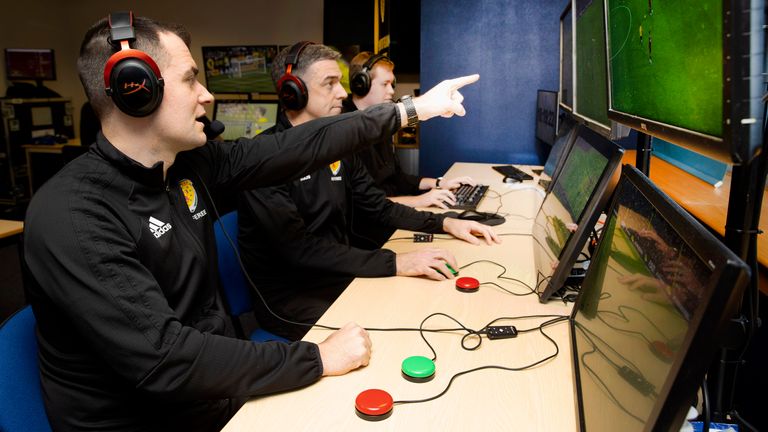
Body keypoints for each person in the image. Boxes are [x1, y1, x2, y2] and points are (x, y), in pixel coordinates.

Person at [23, 13, 480, 432]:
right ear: (135, 88)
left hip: (214, 392)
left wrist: (407, 110)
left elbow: (291, 148)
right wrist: (317, 358)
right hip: (151, 418)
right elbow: (167, 361)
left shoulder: (187, 165)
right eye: (190, 81)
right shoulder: (75, 214)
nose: (207, 95)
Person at [237, 43, 500, 341]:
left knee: (428, 303)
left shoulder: (337, 148)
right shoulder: (262, 162)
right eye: (330, 84)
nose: (342, 93)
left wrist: (445, 222)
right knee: (398, 329)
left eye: (342, 83)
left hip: (336, 276)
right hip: (292, 300)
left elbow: (379, 206)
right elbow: (302, 249)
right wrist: (396, 263)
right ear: (292, 91)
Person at [344, 51, 475, 209]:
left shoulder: (382, 123)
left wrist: (441, 183)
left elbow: (398, 178)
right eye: (384, 84)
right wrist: (421, 201)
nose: (392, 91)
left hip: (391, 212)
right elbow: (363, 203)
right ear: (361, 84)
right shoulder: (345, 131)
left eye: (392, 84)